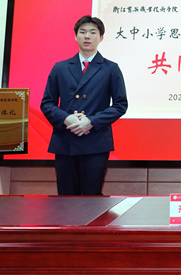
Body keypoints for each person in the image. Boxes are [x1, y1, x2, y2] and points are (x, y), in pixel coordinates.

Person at [41, 16, 127, 195]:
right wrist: (66, 118)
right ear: (75, 36)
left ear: (101, 38)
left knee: (92, 199)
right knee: (66, 200)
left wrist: (91, 122)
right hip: (65, 141)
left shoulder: (111, 68)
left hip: (95, 142)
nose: (87, 36)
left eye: (93, 32)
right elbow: (47, 103)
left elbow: (120, 105)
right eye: (83, 32)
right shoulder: (60, 68)